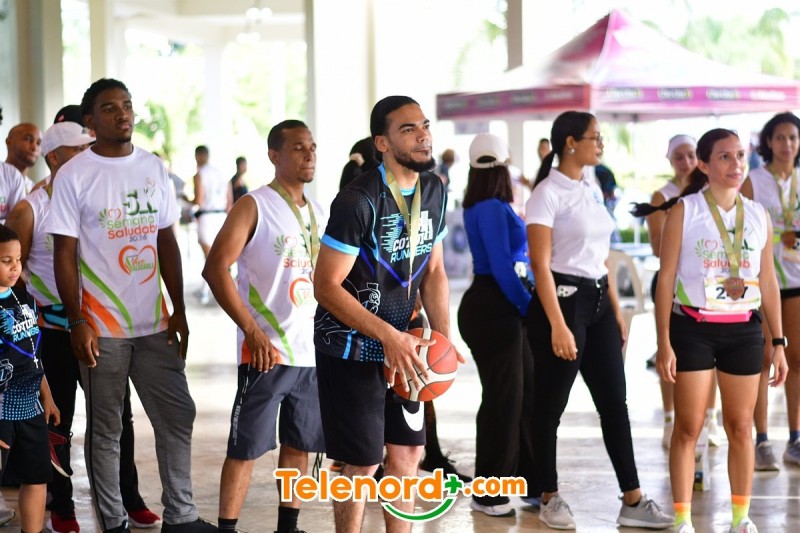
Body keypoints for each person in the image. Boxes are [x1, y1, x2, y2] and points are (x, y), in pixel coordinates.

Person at [47, 77, 214, 533]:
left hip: (154, 322)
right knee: (107, 429)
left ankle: (181, 515)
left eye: (127, 105)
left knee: (177, 413)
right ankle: (114, 521)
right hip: (101, 327)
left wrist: (178, 309)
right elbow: (64, 253)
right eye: (109, 107)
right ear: (90, 121)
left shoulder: (153, 167)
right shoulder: (75, 175)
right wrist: (77, 320)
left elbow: (166, 240)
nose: (122, 113)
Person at [6, 120, 162, 533]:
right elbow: (11, 275)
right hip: (54, 331)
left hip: (103, 326)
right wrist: (31, 320)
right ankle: (62, 505)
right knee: (57, 420)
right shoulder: (31, 208)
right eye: (77, 150)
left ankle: (130, 498)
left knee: (117, 418)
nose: (86, 156)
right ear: (55, 157)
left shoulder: (99, 195)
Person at [313, 95, 460, 532]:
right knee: (361, 464)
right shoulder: (357, 200)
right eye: (408, 129)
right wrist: (388, 338)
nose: (423, 136)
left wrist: (442, 338)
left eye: (425, 126)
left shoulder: (434, 189)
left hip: (408, 344)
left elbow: (434, 271)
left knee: (408, 454)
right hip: (352, 346)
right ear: (382, 142)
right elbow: (326, 286)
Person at [525, 111, 672, 530]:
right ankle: (548, 496)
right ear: (571, 142)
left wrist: (615, 308)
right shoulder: (546, 194)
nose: (601, 143)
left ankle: (633, 499)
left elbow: (600, 255)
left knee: (614, 404)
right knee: (550, 407)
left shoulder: (589, 186)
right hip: (563, 303)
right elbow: (540, 265)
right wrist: (557, 324)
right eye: (596, 137)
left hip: (598, 304)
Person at [649, 128, 788, 533]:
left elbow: (768, 281)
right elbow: (665, 279)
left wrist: (778, 342)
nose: (736, 163)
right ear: (704, 164)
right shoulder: (685, 210)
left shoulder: (757, 214)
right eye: (724, 156)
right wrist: (663, 342)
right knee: (688, 427)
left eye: (740, 155)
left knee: (741, 427)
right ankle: (683, 519)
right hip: (693, 329)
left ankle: (741, 519)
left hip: (743, 330)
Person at [202, 120, 326, 533]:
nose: (309, 154)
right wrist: (252, 332)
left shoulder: (318, 211)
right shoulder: (254, 205)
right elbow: (215, 269)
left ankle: (288, 527)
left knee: (299, 443)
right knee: (245, 447)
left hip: (310, 352)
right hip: (265, 351)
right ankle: (226, 529)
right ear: (274, 155)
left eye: (312, 147)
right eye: (298, 148)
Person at [457, 133, 536, 517]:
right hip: (494, 306)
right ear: (504, 167)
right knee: (503, 400)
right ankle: (488, 492)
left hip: (501, 303)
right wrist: (528, 307)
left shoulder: (491, 204)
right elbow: (502, 268)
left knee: (524, 395)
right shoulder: (490, 207)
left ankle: (529, 481)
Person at [642, 135, 721, 450]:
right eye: (679, 157)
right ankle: (669, 418)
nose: (686, 162)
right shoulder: (663, 196)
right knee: (668, 350)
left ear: (700, 159)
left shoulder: (712, 192)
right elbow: (658, 247)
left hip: (705, 285)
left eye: (690, 156)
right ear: (670, 160)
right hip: (671, 284)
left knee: (712, 353)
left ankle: (711, 418)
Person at [741, 111, 800, 472]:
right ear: (768, 142)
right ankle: (762, 439)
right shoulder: (754, 181)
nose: (787, 144)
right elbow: (741, 231)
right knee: (764, 359)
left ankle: (796, 438)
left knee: (797, 359)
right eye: (780, 137)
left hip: (797, 279)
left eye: (792, 137)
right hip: (765, 281)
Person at [0, 224, 61, 533]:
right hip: (1, 408)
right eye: (5, 260)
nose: (15, 267)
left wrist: (47, 397)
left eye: (18, 259)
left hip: (30, 406)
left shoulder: (24, 299)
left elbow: (32, 355)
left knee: (36, 477)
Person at [193, 145, 231, 304]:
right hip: (222, 217)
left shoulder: (200, 174)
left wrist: (186, 201)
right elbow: (229, 202)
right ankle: (211, 290)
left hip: (207, 217)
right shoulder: (221, 174)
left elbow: (198, 200)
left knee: (209, 259)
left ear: (198, 156)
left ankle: (208, 292)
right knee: (220, 258)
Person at [5, 122, 41, 192]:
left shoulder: (34, 189)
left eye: (38, 143)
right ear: (9, 142)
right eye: (27, 139)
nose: (34, 147)